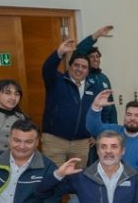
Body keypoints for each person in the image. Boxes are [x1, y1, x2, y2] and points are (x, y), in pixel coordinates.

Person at [40, 38, 100, 168]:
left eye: (84, 67)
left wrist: (95, 133)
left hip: (81, 144)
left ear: (88, 71)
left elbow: (99, 113)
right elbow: (47, 69)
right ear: (70, 66)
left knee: (77, 178)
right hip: (55, 141)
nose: (79, 69)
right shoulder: (57, 80)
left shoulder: (94, 88)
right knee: (54, 176)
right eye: (76, 65)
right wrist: (59, 53)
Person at [86, 90, 138, 177]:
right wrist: (96, 107)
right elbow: (94, 128)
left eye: (137, 115)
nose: (132, 118)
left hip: (132, 183)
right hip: (106, 178)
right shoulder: (115, 130)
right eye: (129, 114)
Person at [75, 25, 118, 124]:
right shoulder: (82, 76)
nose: (95, 59)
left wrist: (114, 126)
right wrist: (96, 35)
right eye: (92, 57)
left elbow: (111, 105)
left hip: (104, 124)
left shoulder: (104, 78)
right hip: (88, 124)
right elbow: (78, 51)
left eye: (97, 56)